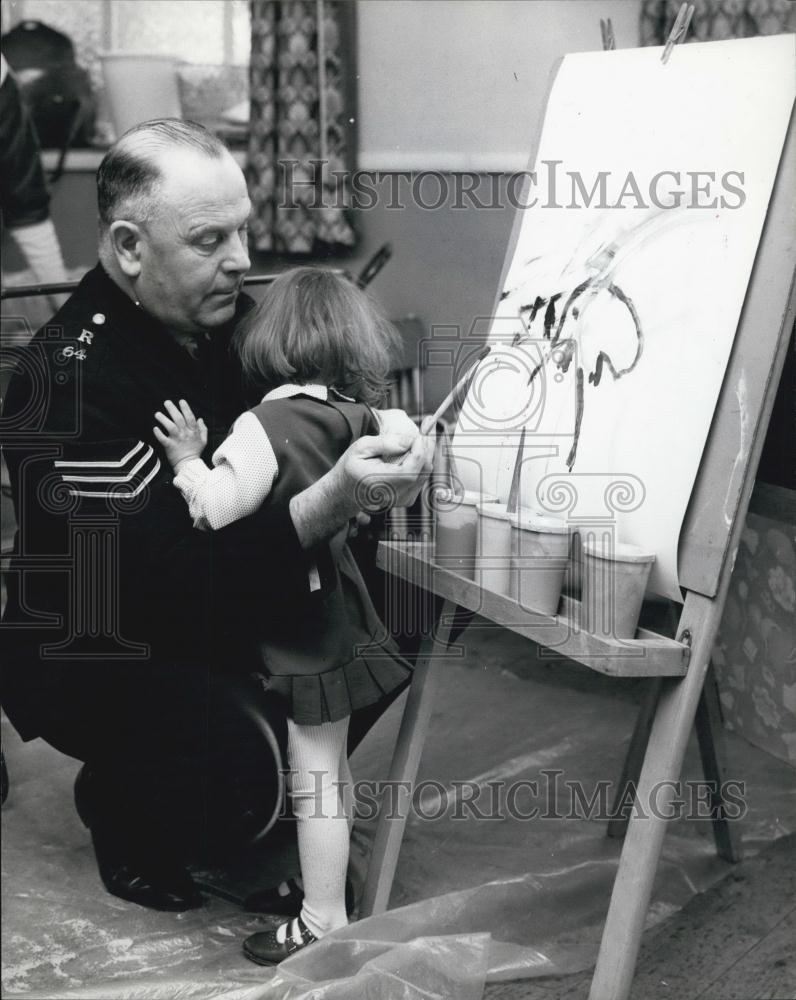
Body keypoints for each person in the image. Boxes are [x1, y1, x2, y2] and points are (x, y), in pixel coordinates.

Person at [0, 119, 433, 913]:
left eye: (243, 232)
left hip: (222, 584)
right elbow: (158, 583)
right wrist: (327, 502)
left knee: (404, 601)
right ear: (130, 248)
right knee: (212, 739)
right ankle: (124, 805)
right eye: (209, 240)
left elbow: (319, 423)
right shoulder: (64, 380)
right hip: (110, 638)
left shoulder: (231, 317)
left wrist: (385, 459)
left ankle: (260, 773)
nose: (240, 261)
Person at [154, 266, 412, 961]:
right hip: (347, 608)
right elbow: (408, 439)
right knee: (331, 762)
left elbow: (214, 509)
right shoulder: (360, 418)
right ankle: (326, 888)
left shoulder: (261, 425)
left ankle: (323, 919)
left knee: (315, 771)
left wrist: (186, 460)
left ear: (269, 342)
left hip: (299, 624)